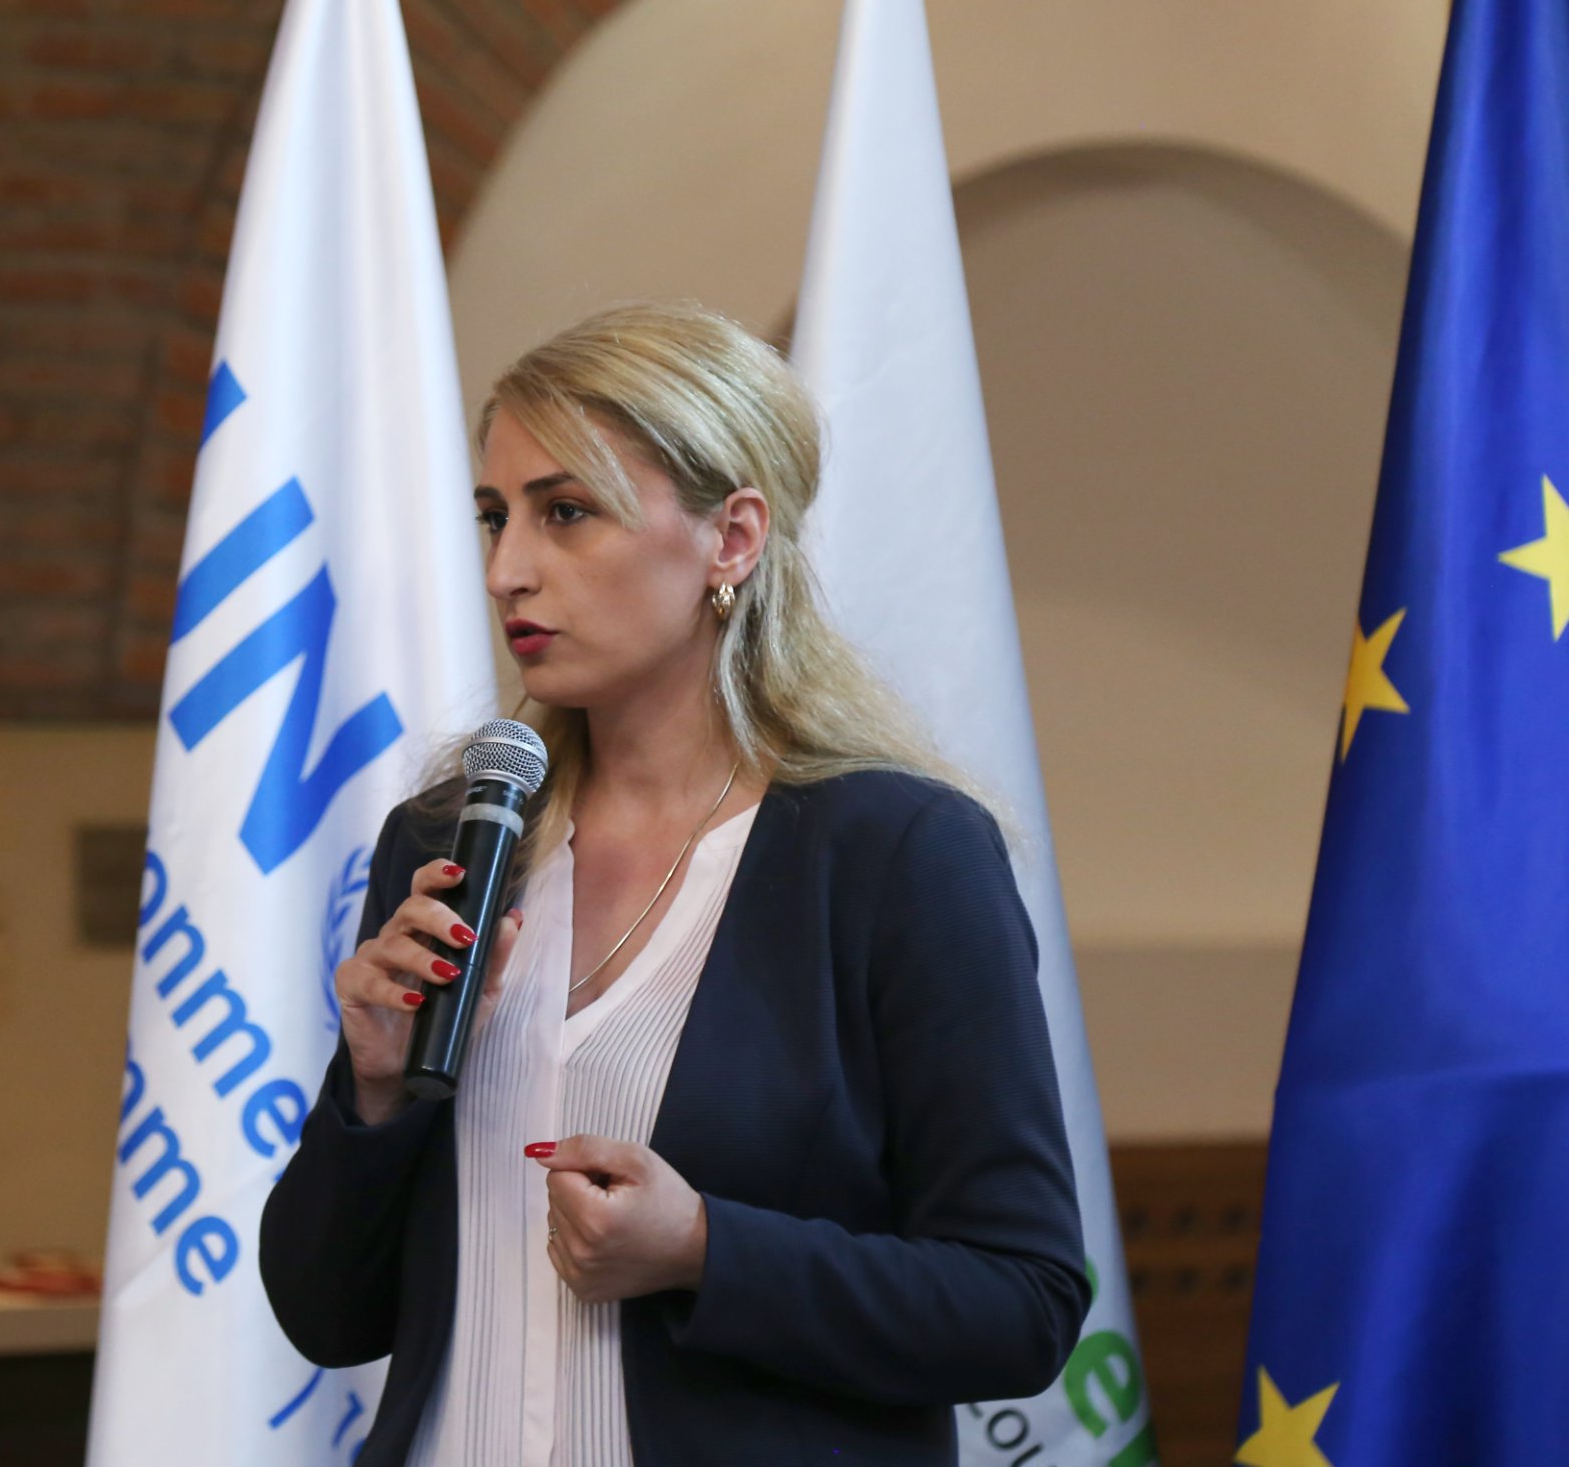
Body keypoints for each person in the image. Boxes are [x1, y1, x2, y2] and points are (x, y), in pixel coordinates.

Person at [259, 302, 1088, 1465]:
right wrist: (375, 1093)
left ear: (731, 538)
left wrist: (704, 1248)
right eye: (495, 516)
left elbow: (1020, 1302)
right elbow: (324, 1315)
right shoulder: (451, 841)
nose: (505, 570)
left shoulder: (894, 853)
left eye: (565, 512)